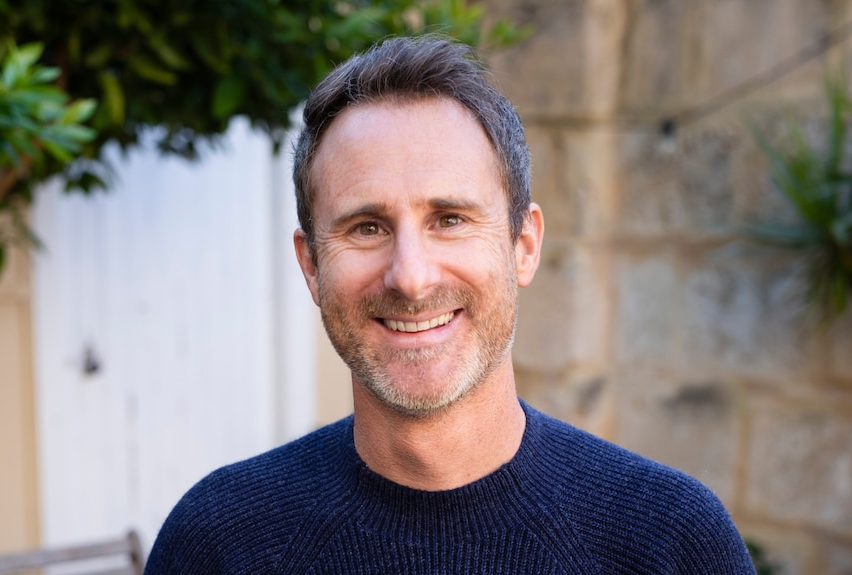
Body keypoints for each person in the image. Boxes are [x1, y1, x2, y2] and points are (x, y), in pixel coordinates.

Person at [145, 35, 756, 574]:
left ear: (523, 245)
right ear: (311, 265)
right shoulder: (219, 543)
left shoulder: (669, 543)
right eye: (366, 227)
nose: (410, 277)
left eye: (450, 219)